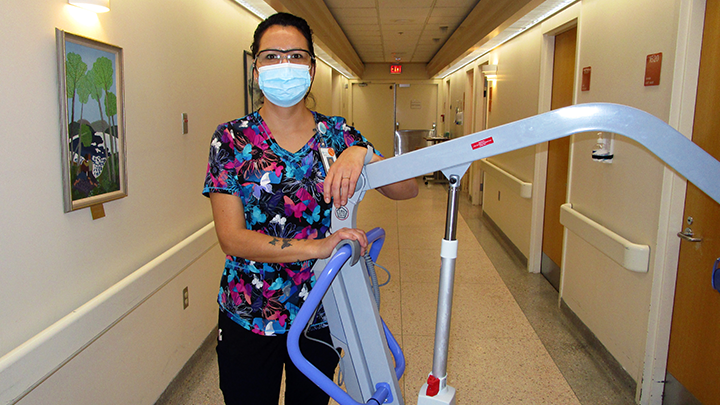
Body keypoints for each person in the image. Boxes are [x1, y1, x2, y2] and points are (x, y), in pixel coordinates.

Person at [202, 12, 418, 405]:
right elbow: (231, 238)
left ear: (312, 69)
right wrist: (320, 247)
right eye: (271, 56)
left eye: (296, 55)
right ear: (255, 70)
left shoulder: (337, 134)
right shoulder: (231, 140)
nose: (284, 65)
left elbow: (408, 188)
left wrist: (362, 154)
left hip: (321, 311)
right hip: (249, 312)